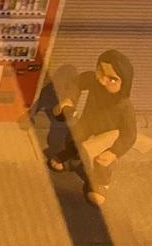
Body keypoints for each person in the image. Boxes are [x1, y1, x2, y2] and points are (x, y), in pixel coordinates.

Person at [48, 50, 137, 206]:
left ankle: (99, 183)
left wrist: (114, 152)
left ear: (124, 83)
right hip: (88, 122)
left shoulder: (125, 106)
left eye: (112, 79)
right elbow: (77, 83)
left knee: (101, 161)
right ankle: (70, 159)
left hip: (107, 135)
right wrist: (69, 99)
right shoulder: (93, 81)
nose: (102, 81)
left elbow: (130, 134)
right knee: (74, 139)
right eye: (100, 71)